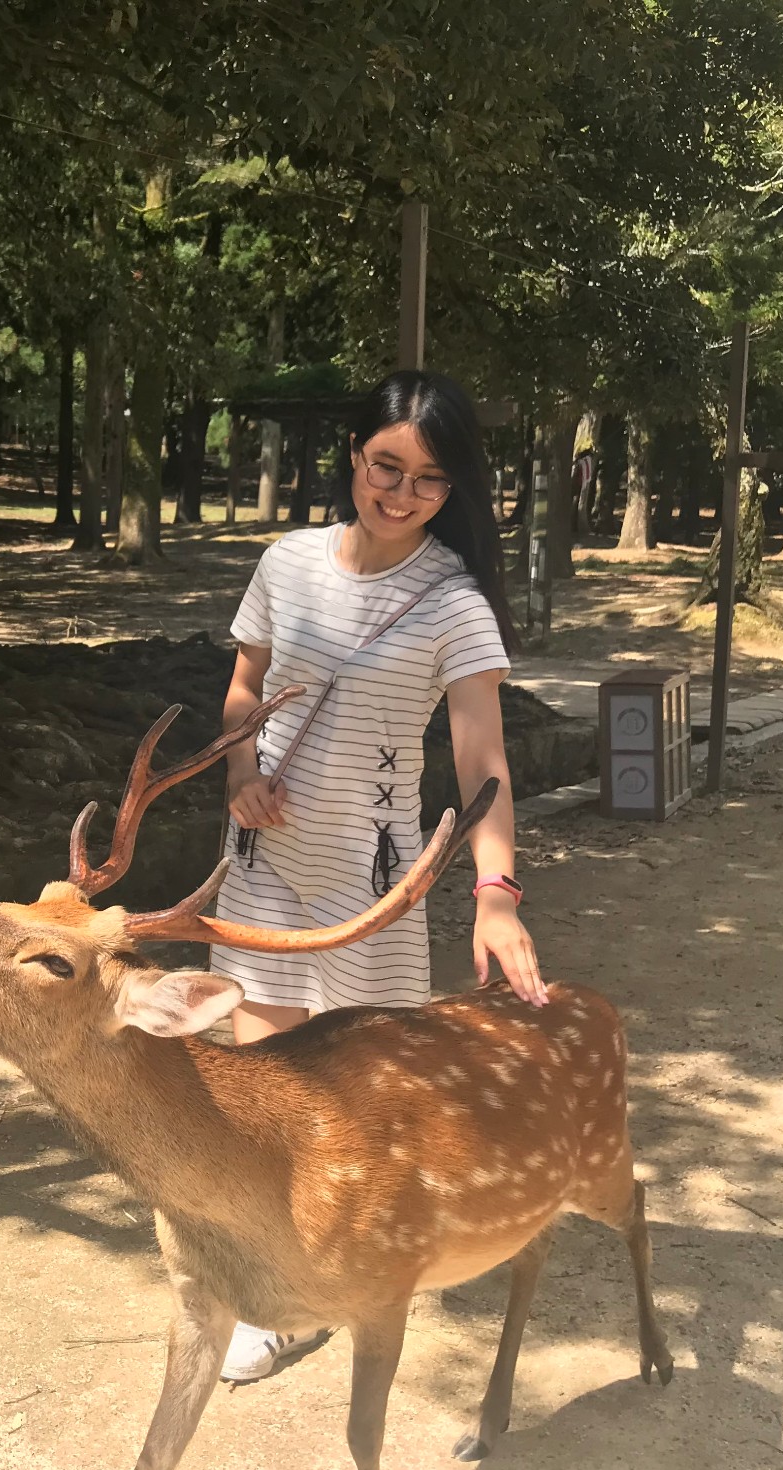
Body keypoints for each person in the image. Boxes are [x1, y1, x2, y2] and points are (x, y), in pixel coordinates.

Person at [211, 370, 548, 1383]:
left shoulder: (452, 602)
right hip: (267, 872)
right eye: (384, 467)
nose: (399, 495)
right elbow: (242, 685)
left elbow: (481, 760)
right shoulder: (286, 562)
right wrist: (239, 769)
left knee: (358, 1113)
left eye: (427, 481)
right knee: (261, 1100)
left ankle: (347, 1278)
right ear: (351, 456)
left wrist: (495, 894)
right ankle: (276, 1300)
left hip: (373, 893)